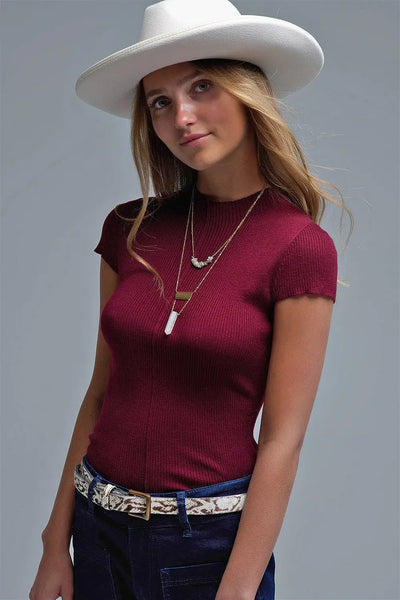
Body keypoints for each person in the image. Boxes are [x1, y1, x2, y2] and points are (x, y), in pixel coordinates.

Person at [29, 1, 353, 599]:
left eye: (202, 86)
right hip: (96, 531)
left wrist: (238, 590)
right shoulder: (129, 228)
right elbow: (100, 392)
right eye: (160, 101)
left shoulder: (299, 247)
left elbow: (282, 441)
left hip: (205, 549)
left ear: (247, 93)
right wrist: (56, 544)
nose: (182, 115)